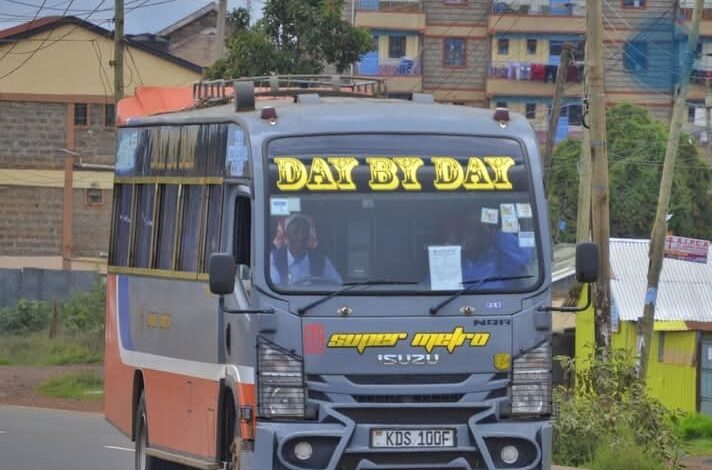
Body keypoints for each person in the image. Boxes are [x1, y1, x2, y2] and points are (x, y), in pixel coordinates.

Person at [459, 212, 534, 289]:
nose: (475, 235)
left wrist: (495, 233)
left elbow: (525, 257)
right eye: (469, 230)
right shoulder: (457, 260)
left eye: (479, 230)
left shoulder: (500, 258)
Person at [270, 214, 342, 286]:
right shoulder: (274, 258)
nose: (301, 236)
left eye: (305, 231)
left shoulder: (321, 259)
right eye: (296, 232)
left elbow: (337, 284)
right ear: (286, 235)